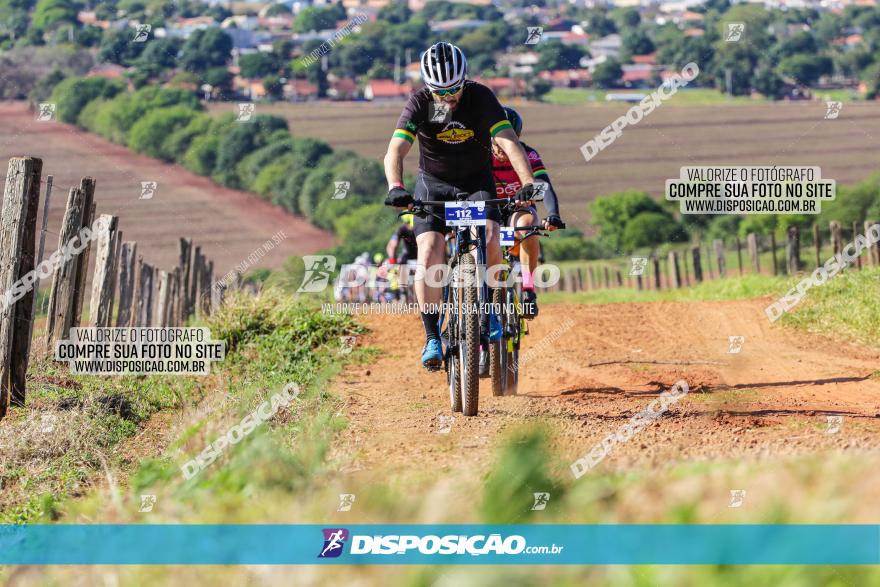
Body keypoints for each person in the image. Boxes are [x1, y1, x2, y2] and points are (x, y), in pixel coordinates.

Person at [383, 41, 539, 371]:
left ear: (464, 79)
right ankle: (432, 337)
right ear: (428, 86)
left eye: (455, 88)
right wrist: (395, 186)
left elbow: (509, 140)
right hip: (433, 186)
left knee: (493, 234)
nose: (449, 96)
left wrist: (527, 182)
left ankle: (492, 308)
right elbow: (396, 150)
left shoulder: (481, 97)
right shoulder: (420, 103)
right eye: (441, 91)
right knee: (429, 253)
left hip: (475, 183)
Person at [492, 106, 564, 319]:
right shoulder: (479, 155)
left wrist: (553, 214)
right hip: (488, 210)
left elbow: (544, 185)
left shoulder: (528, 154)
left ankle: (528, 290)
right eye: (498, 145)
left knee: (528, 227)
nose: (503, 153)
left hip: (517, 209)